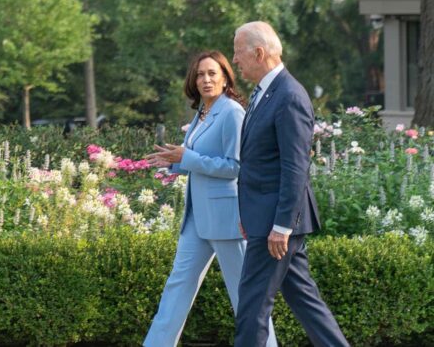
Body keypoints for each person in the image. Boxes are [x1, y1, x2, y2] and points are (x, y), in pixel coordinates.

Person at [142, 51, 275, 347]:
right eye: (200, 74)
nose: (206, 79)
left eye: (212, 73)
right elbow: (199, 159)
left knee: (246, 299)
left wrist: (186, 157)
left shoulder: (232, 112)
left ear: (226, 77)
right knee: (176, 290)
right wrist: (172, 162)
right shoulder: (202, 112)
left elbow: (236, 167)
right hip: (197, 221)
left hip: (228, 220)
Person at [230, 21, 348, 346]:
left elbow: (295, 167)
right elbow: (259, 161)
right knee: (306, 302)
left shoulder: (289, 95)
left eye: (238, 53)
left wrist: (282, 226)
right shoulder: (267, 92)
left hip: (277, 226)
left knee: (252, 308)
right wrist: (248, 214)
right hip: (266, 219)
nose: (235, 60)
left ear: (258, 52)